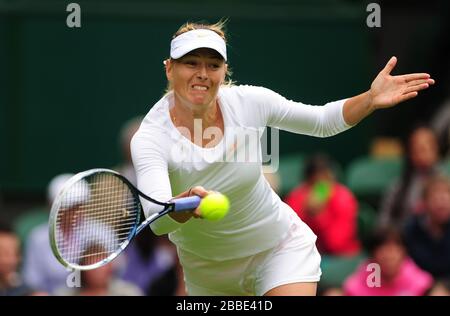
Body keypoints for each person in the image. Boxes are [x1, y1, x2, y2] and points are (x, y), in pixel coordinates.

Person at [130, 20, 435, 296]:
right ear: (169, 68)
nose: (202, 74)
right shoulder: (151, 137)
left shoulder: (250, 102)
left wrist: (369, 99)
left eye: (213, 65)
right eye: (190, 63)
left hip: (277, 250)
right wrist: (185, 203)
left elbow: (322, 121)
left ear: (225, 71)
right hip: (208, 274)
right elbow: (158, 220)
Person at [285, 154, 361, 256]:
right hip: (305, 257)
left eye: (325, 177)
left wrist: (319, 216)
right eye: (314, 179)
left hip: (340, 258)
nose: (320, 183)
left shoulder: (343, 197)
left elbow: (336, 245)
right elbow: (290, 241)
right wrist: (308, 213)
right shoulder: (296, 197)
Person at [378, 124, 442, 227]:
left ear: (436, 149)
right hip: (405, 238)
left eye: (427, 147)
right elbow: (382, 222)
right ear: (410, 153)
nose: (423, 154)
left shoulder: (445, 182)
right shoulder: (399, 187)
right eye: (418, 149)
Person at [343, 225, 433, 296]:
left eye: (394, 250)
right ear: (372, 255)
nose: (389, 256)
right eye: (383, 250)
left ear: (404, 253)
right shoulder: (355, 287)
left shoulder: (423, 285)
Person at [403, 174, 450, 279]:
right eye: (436, 197)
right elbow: (407, 268)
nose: (441, 203)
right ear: (424, 203)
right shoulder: (411, 230)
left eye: (446, 197)